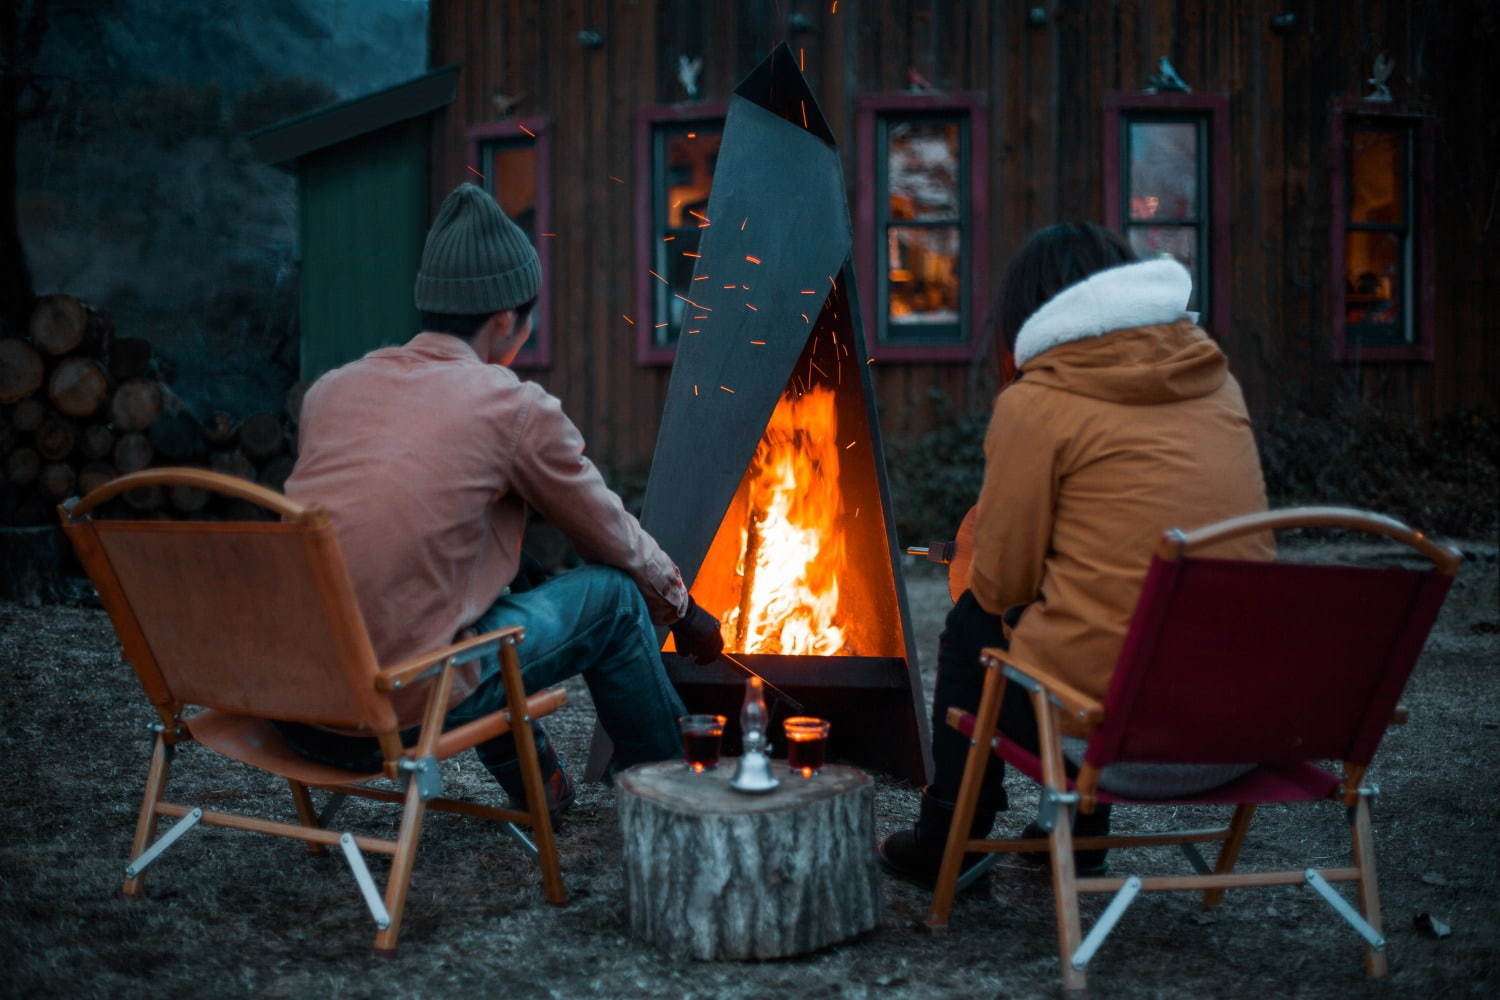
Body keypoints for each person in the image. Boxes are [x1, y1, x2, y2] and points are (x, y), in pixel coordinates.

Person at [275, 183, 724, 819]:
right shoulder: (511, 406)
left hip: (298, 706)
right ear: (506, 319)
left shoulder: (332, 392)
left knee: (504, 585)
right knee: (617, 600)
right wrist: (684, 608)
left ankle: (543, 789)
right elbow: (608, 533)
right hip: (394, 712)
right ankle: (684, 802)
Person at [878, 224, 1274, 887]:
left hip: (1118, 740)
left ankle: (952, 839)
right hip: (1232, 728)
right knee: (1114, 600)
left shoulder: (1039, 403)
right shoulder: (1217, 383)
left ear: (1028, 315)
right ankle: (1078, 833)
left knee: (973, 627)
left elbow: (1001, 585)